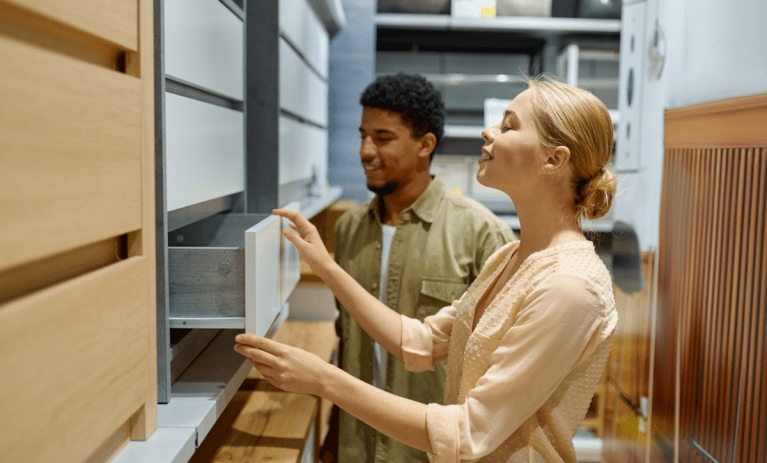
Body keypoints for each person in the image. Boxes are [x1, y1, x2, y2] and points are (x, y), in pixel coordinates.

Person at [235, 76, 618, 462]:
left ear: (554, 159)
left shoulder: (569, 287)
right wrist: (324, 264)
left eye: (507, 126)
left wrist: (323, 379)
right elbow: (418, 343)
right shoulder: (510, 260)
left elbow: (468, 434)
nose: (488, 132)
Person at [328, 72, 515, 463]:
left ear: (425, 144)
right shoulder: (348, 229)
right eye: (362, 135)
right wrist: (333, 433)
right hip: (354, 446)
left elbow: (497, 372)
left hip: (429, 453)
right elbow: (346, 337)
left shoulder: (483, 234)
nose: (365, 150)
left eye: (382, 138)